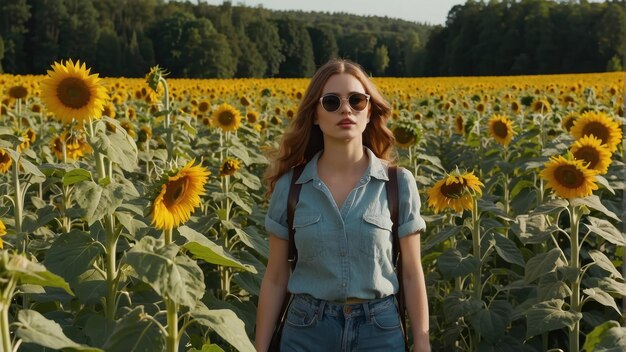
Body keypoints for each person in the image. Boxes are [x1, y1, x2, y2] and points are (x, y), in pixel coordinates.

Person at [255, 58, 430, 352]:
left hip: (379, 330)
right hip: (306, 330)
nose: (346, 109)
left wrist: (422, 341)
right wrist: (259, 348)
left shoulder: (397, 183)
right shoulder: (291, 187)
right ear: (314, 115)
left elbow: (412, 272)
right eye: (332, 102)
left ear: (369, 110)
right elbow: (275, 277)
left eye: (357, 100)